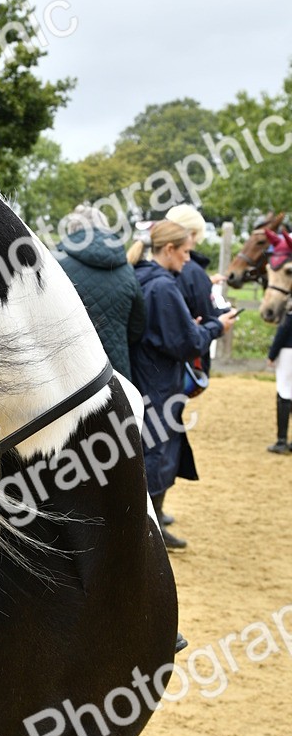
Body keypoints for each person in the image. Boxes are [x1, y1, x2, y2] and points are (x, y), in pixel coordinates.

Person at [127, 219, 239, 549]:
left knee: (152, 449)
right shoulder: (162, 286)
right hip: (160, 380)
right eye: (186, 252)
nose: (189, 260)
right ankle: (150, 530)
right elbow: (185, 343)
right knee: (157, 453)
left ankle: (152, 522)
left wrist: (188, 325)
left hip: (145, 373)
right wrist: (217, 327)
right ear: (170, 249)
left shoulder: (144, 277)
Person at [57, 205, 145, 380]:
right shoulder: (127, 270)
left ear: (72, 230)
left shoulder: (56, 263)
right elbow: (137, 327)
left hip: (68, 377)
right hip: (115, 376)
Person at [165, 203, 228, 374]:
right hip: (183, 364)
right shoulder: (193, 272)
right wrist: (221, 321)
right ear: (191, 234)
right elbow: (206, 318)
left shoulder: (150, 267)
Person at [266, 307, 292, 453]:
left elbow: (282, 333)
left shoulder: (289, 313)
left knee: (284, 392)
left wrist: (272, 354)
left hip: (288, 352)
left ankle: (282, 440)